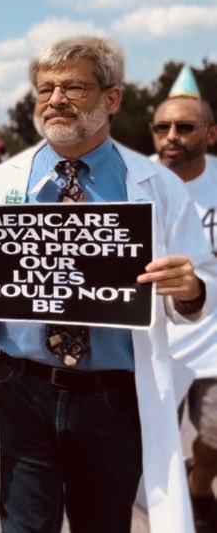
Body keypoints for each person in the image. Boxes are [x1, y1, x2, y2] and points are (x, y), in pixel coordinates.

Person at [0, 35, 217, 533]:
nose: (56, 99)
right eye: (45, 89)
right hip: (19, 392)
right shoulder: (2, 183)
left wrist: (191, 288)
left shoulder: (159, 187)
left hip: (112, 402)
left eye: (73, 87)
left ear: (112, 98)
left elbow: (201, 283)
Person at [152, 69, 217, 530]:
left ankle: (200, 483)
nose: (171, 136)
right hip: (158, 344)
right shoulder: (134, 184)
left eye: (185, 127)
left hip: (215, 342)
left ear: (210, 134)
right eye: (162, 127)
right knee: (153, 452)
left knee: (215, 438)